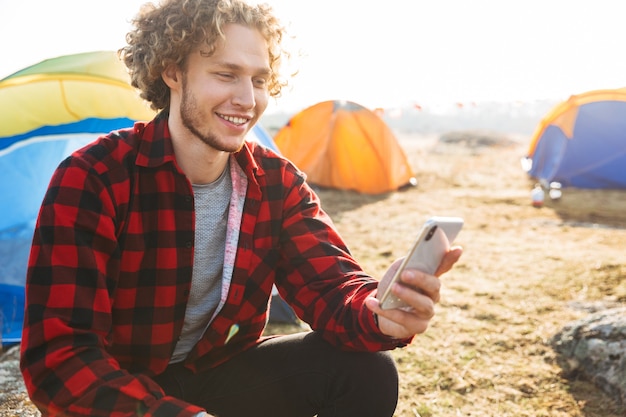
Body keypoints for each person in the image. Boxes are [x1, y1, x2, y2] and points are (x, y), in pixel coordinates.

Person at [19, 0, 463, 416]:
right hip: (121, 391)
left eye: (258, 80)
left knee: (367, 370)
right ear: (172, 71)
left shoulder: (276, 182)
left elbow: (331, 288)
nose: (248, 100)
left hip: (219, 375)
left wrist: (380, 312)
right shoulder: (95, 176)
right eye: (226, 74)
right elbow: (60, 359)